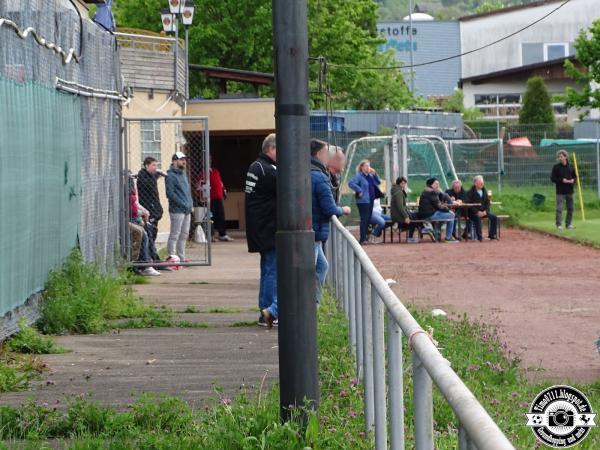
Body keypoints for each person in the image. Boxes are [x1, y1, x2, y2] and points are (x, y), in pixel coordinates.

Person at [311, 140, 351, 303]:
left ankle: (315, 304)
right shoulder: (319, 176)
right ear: (319, 154)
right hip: (313, 231)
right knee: (307, 273)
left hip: (315, 231)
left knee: (322, 266)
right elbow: (330, 208)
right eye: (327, 153)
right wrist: (343, 210)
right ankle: (275, 310)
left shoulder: (315, 173)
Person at [245, 134, 278, 328]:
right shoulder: (267, 170)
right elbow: (288, 187)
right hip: (267, 228)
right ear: (271, 149)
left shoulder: (256, 167)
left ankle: (265, 310)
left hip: (260, 228)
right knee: (272, 271)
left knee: (267, 270)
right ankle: (269, 312)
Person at [128, 176, 160, 276]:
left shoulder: (131, 191)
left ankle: (152, 260)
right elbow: (130, 210)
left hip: (135, 218)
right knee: (143, 234)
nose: (132, 181)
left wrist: (144, 212)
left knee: (150, 230)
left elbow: (136, 205)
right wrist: (140, 216)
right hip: (129, 220)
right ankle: (141, 264)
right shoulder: (123, 191)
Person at [166, 151, 194, 261]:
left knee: (184, 234)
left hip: (186, 209)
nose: (184, 162)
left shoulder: (183, 174)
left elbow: (187, 192)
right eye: (181, 160)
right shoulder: (170, 176)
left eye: (184, 160)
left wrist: (190, 203)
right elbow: (170, 194)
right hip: (177, 210)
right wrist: (182, 203)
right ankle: (172, 258)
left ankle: (181, 257)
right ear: (174, 161)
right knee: (175, 234)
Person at [137, 157, 164, 262]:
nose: (155, 168)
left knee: (154, 233)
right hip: (148, 211)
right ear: (146, 165)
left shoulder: (151, 176)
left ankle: (152, 257)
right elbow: (148, 184)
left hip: (155, 210)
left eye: (156, 165)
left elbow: (153, 179)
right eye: (153, 165)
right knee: (149, 235)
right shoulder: (143, 176)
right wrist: (156, 175)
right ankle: (151, 258)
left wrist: (157, 175)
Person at [348, 160, 381, 245]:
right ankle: (362, 239)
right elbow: (351, 183)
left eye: (369, 166)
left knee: (368, 219)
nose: (368, 167)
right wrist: (359, 190)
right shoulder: (359, 176)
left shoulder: (370, 175)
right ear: (362, 167)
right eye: (366, 166)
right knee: (364, 219)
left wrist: (375, 173)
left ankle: (366, 237)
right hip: (363, 201)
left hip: (370, 200)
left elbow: (378, 182)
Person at [417, 178, 457, 243]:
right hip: (429, 214)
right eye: (436, 183)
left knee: (444, 215)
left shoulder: (425, 191)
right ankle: (448, 238)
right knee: (451, 215)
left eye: (438, 184)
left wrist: (440, 193)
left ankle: (436, 232)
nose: (438, 185)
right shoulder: (432, 192)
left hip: (424, 214)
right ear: (431, 184)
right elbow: (439, 206)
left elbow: (438, 202)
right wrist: (448, 209)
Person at [465, 175, 498, 241]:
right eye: (480, 182)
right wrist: (477, 212)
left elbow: (488, 203)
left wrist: (486, 211)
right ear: (475, 183)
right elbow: (468, 205)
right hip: (473, 213)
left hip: (484, 211)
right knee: (477, 218)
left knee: (494, 217)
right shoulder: (470, 192)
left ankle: (492, 235)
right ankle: (479, 237)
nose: (482, 184)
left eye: (482, 182)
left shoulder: (485, 192)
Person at [208, 159, 234, 242]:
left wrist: (224, 190)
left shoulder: (215, 171)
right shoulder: (204, 172)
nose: (210, 161)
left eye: (210, 159)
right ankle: (211, 235)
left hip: (218, 197)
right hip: (210, 198)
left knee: (221, 216)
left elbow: (220, 182)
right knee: (211, 217)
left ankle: (222, 234)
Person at [550, 149, 576, 230]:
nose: (560, 158)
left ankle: (568, 224)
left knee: (570, 208)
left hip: (570, 191)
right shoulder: (556, 167)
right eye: (559, 157)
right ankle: (558, 225)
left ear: (565, 157)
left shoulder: (571, 167)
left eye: (561, 157)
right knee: (559, 209)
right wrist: (562, 180)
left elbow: (575, 177)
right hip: (560, 192)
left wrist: (573, 180)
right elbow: (552, 178)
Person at [390, 177, 418, 242]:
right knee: (413, 221)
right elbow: (400, 207)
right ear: (401, 184)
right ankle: (409, 236)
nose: (405, 185)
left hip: (396, 214)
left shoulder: (397, 190)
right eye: (404, 183)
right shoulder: (399, 192)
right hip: (397, 215)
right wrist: (406, 217)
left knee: (414, 216)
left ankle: (402, 228)